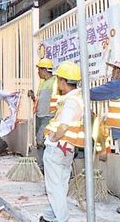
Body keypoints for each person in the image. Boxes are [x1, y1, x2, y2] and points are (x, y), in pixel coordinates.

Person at [89, 57, 120, 215]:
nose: (112, 72)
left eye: (114, 69)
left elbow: (94, 93)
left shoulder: (119, 84)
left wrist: (75, 91)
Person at [40, 61, 84, 222]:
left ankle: (62, 218)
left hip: (57, 147)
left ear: (64, 81)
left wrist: (52, 137)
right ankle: (49, 216)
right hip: (67, 148)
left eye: (59, 80)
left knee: (54, 187)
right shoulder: (77, 98)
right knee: (60, 184)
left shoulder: (70, 102)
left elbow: (63, 125)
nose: (57, 83)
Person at [28, 58, 58, 173]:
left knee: (41, 140)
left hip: (49, 116)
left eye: (39, 70)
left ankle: (46, 166)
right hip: (39, 116)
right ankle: (42, 166)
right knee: (39, 142)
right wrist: (32, 97)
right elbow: (39, 100)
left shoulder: (55, 81)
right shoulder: (42, 83)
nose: (38, 72)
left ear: (45, 70)